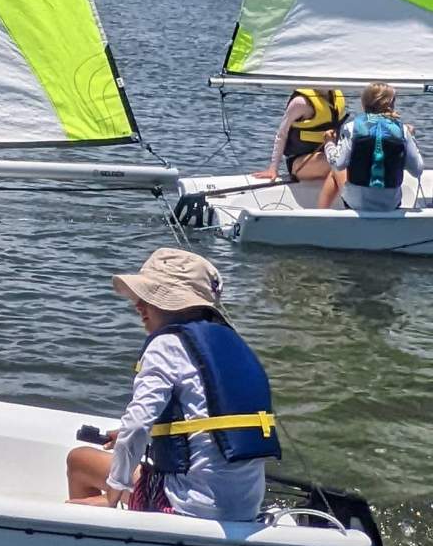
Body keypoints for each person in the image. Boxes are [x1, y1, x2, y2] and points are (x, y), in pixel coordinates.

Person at [66, 247, 279, 521]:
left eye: (149, 297)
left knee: (78, 462)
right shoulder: (232, 343)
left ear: (175, 303)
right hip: (244, 506)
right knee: (90, 463)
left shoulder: (165, 346)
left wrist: (112, 494)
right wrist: (151, 438)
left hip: (191, 507)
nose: (138, 305)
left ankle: (92, 543)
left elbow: (136, 425)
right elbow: (204, 423)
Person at [318, 81, 425, 213]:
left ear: (364, 104)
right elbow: (417, 170)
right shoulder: (402, 130)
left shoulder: (351, 128)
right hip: (390, 204)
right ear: (391, 104)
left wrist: (329, 142)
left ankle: (320, 215)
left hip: (356, 203)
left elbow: (338, 164)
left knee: (335, 171)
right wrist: (411, 137)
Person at [259, 86, 347, 185]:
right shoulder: (300, 102)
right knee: (339, 161)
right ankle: (350, 198)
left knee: (357, 157)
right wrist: (273, 169)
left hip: (330, 155)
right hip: (300, 163)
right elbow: (281, 134)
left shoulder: (337, 98)